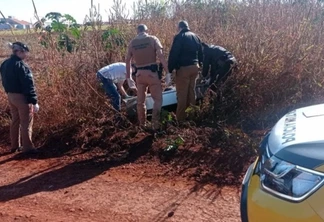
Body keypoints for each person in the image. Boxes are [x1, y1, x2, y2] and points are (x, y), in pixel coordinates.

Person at [125, 24, 170, 131]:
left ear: (137, 31)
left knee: (140, 102)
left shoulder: (132, 43)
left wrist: (128, 77)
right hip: (152, 74)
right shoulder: (153, 39)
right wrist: (168, 72)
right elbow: (161, 56)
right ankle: (155, 124)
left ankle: (142, 124)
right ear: (146, 30)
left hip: (139, 75)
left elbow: (127, 60)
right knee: (158, 99)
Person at [0, 42, 39, 154]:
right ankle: (28, 148)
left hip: (11, 96)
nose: (26, 54)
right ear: (19, 52)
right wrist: (33, 101)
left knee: (15, 120)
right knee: (26, 121)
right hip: (22, 97)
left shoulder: (5, 63)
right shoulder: (22, 66)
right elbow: (28, 85)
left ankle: (14, 146)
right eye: (25, 52)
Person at [168, 20, 203, 122]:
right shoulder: (196, 36)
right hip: (195, 67)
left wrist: (170, 69)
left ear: (179, 27)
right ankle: (192, 116)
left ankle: (180, 120)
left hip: (184, 68)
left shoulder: (179, 37)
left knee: (182, 94)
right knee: (191, 92)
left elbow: (174, 54)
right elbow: (201, 52)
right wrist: (200, 64)